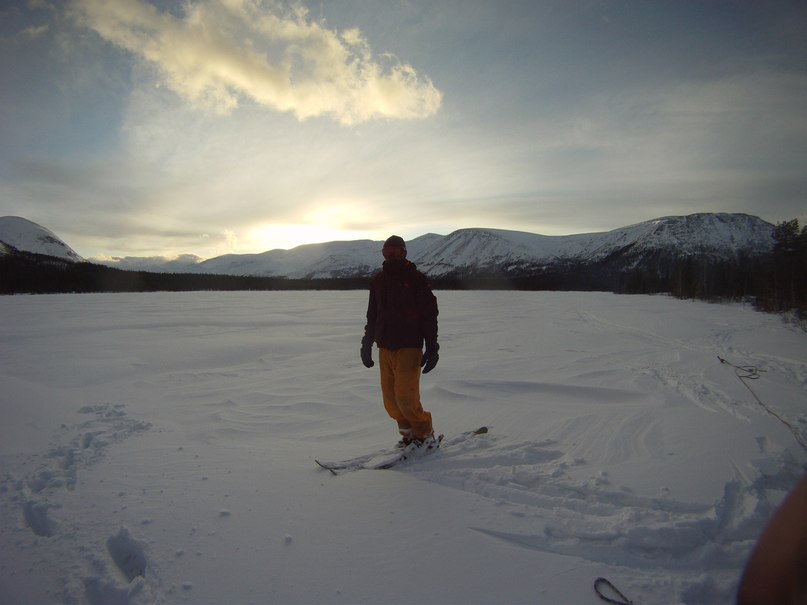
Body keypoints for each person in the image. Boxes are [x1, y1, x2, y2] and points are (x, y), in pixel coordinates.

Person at [360, 235, 440, 448]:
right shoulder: (378, 281)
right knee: (391, 402)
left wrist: (432, 344)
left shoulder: (416, 280)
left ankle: (425, 435)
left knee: (406, 399)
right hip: (384, 346)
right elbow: (372, 314)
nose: (390, 257)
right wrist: (367, 342)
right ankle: (408, 435)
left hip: (409, 346)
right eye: (386, 253)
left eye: (394, 253)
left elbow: (429, 314)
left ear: (404, 253)